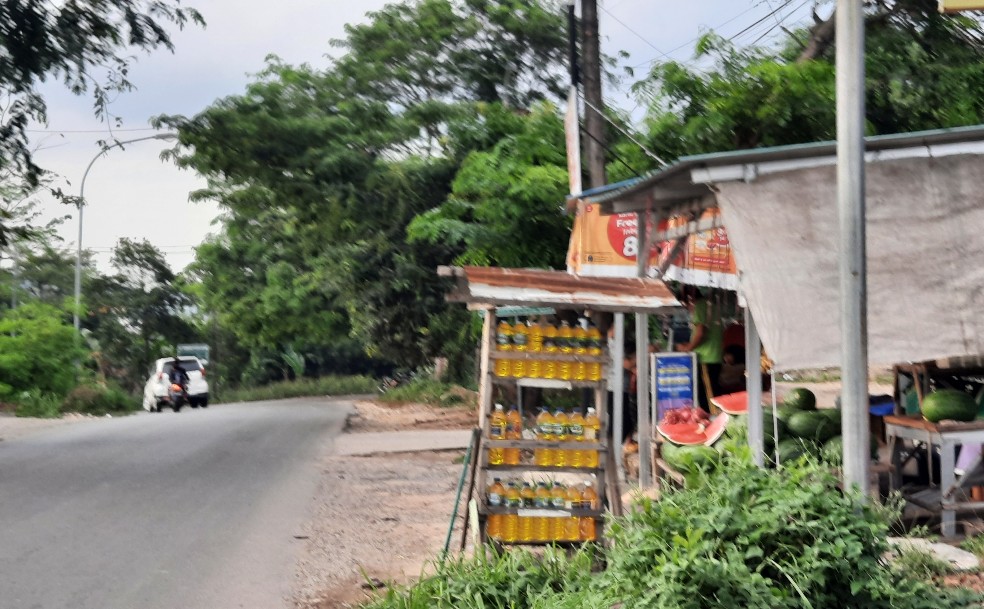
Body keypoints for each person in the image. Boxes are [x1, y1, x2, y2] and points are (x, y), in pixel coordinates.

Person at [675, 289, 724, 411]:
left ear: (690, 299)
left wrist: (687, 349)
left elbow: (701, 333)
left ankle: (713, 418)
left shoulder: (700, 306)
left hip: (706, 358)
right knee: (711, 391)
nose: (688, 309)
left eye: (686, 305)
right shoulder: (710, 305)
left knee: (708, 397)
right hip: (713, 356)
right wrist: (689, 344)